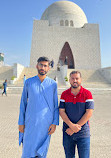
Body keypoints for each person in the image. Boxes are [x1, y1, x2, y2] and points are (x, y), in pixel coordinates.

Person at [18, 57, 59, 158]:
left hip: (45, 124)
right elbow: (23, 103)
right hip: (30, 122)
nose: (43, 68)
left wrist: (54, 123)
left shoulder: (53, 84)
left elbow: (55, 105)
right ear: (37, 66)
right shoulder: (28, 82)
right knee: (28, 150)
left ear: (48, 68)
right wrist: (21, 123)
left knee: (41, 152)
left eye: (45, 66)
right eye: (41, 65)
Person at [59, 71, 94, 158]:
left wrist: (75, 127)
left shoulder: (87, 94)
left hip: (83, 133)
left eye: (77, 78)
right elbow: (61, 111)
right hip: (68, 132)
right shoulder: (64, 94)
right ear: (69, 80)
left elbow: (89, 112)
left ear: (80, 80)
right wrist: (71, 126)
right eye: (73, 78)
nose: (75, 80)